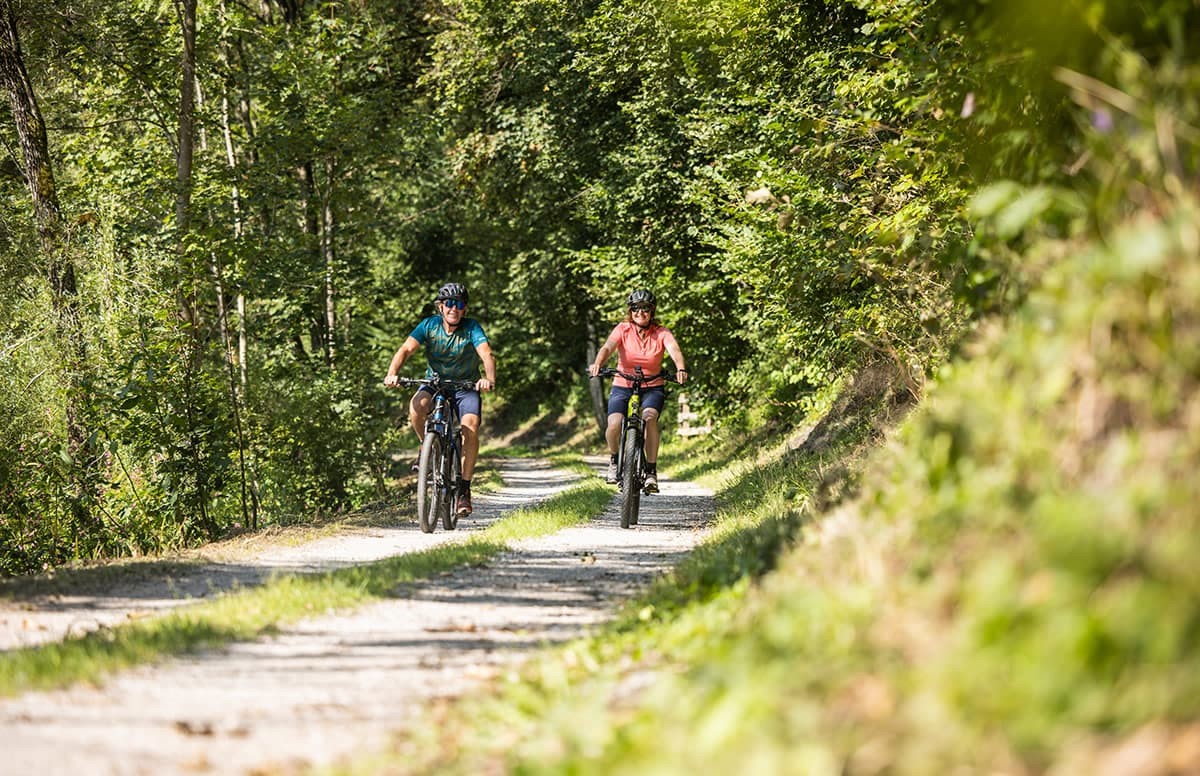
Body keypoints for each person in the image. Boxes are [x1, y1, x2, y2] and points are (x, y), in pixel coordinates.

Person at [384, 282, 496, 515]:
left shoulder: (472, 328)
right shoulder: (429, 326)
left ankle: (464, 490)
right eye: (449, 303)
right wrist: (392, 373)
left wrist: (488, 378)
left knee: (470, 428)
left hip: (465, 386)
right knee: (416, 407)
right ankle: (427, 445)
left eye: (460, 304)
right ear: (441, 307)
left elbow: (486, 354)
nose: (454, 308)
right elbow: (405, 350)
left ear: (465, 309)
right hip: (435, 383)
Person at [587, 289, 688, 492]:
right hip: (623, 384)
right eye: (635, 308)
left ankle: (651, 471)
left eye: (645, 309)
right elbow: (607, 347)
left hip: (652, 386)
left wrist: (680, 368)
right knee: (614, 424)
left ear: (652, 311)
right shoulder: (623, 329)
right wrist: (597, 363)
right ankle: (615, 459)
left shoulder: (661, 332)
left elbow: (674, 350)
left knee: (649, 418)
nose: (640, 312)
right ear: (630, 311)